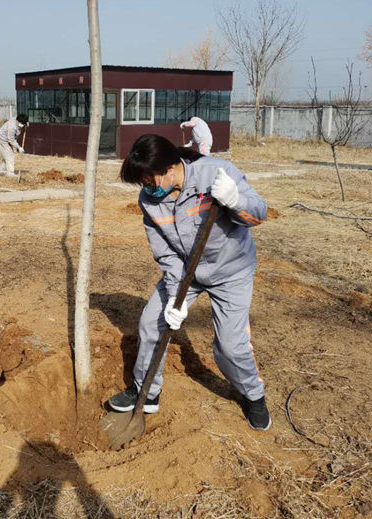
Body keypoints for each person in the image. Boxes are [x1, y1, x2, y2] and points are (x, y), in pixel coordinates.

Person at [107, 134, 271, 431]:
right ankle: (147, 391)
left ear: (170, 168)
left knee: (231, 346)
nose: (146, 189)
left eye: (149, 181)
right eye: (141, 184)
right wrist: (173, 295)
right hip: (187, 273)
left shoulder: (216, 174)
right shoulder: (149, 200)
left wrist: (235, 200)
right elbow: (165, 251)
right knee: (151, 324)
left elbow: (258, 215)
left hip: (231, 271)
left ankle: (253, 395)